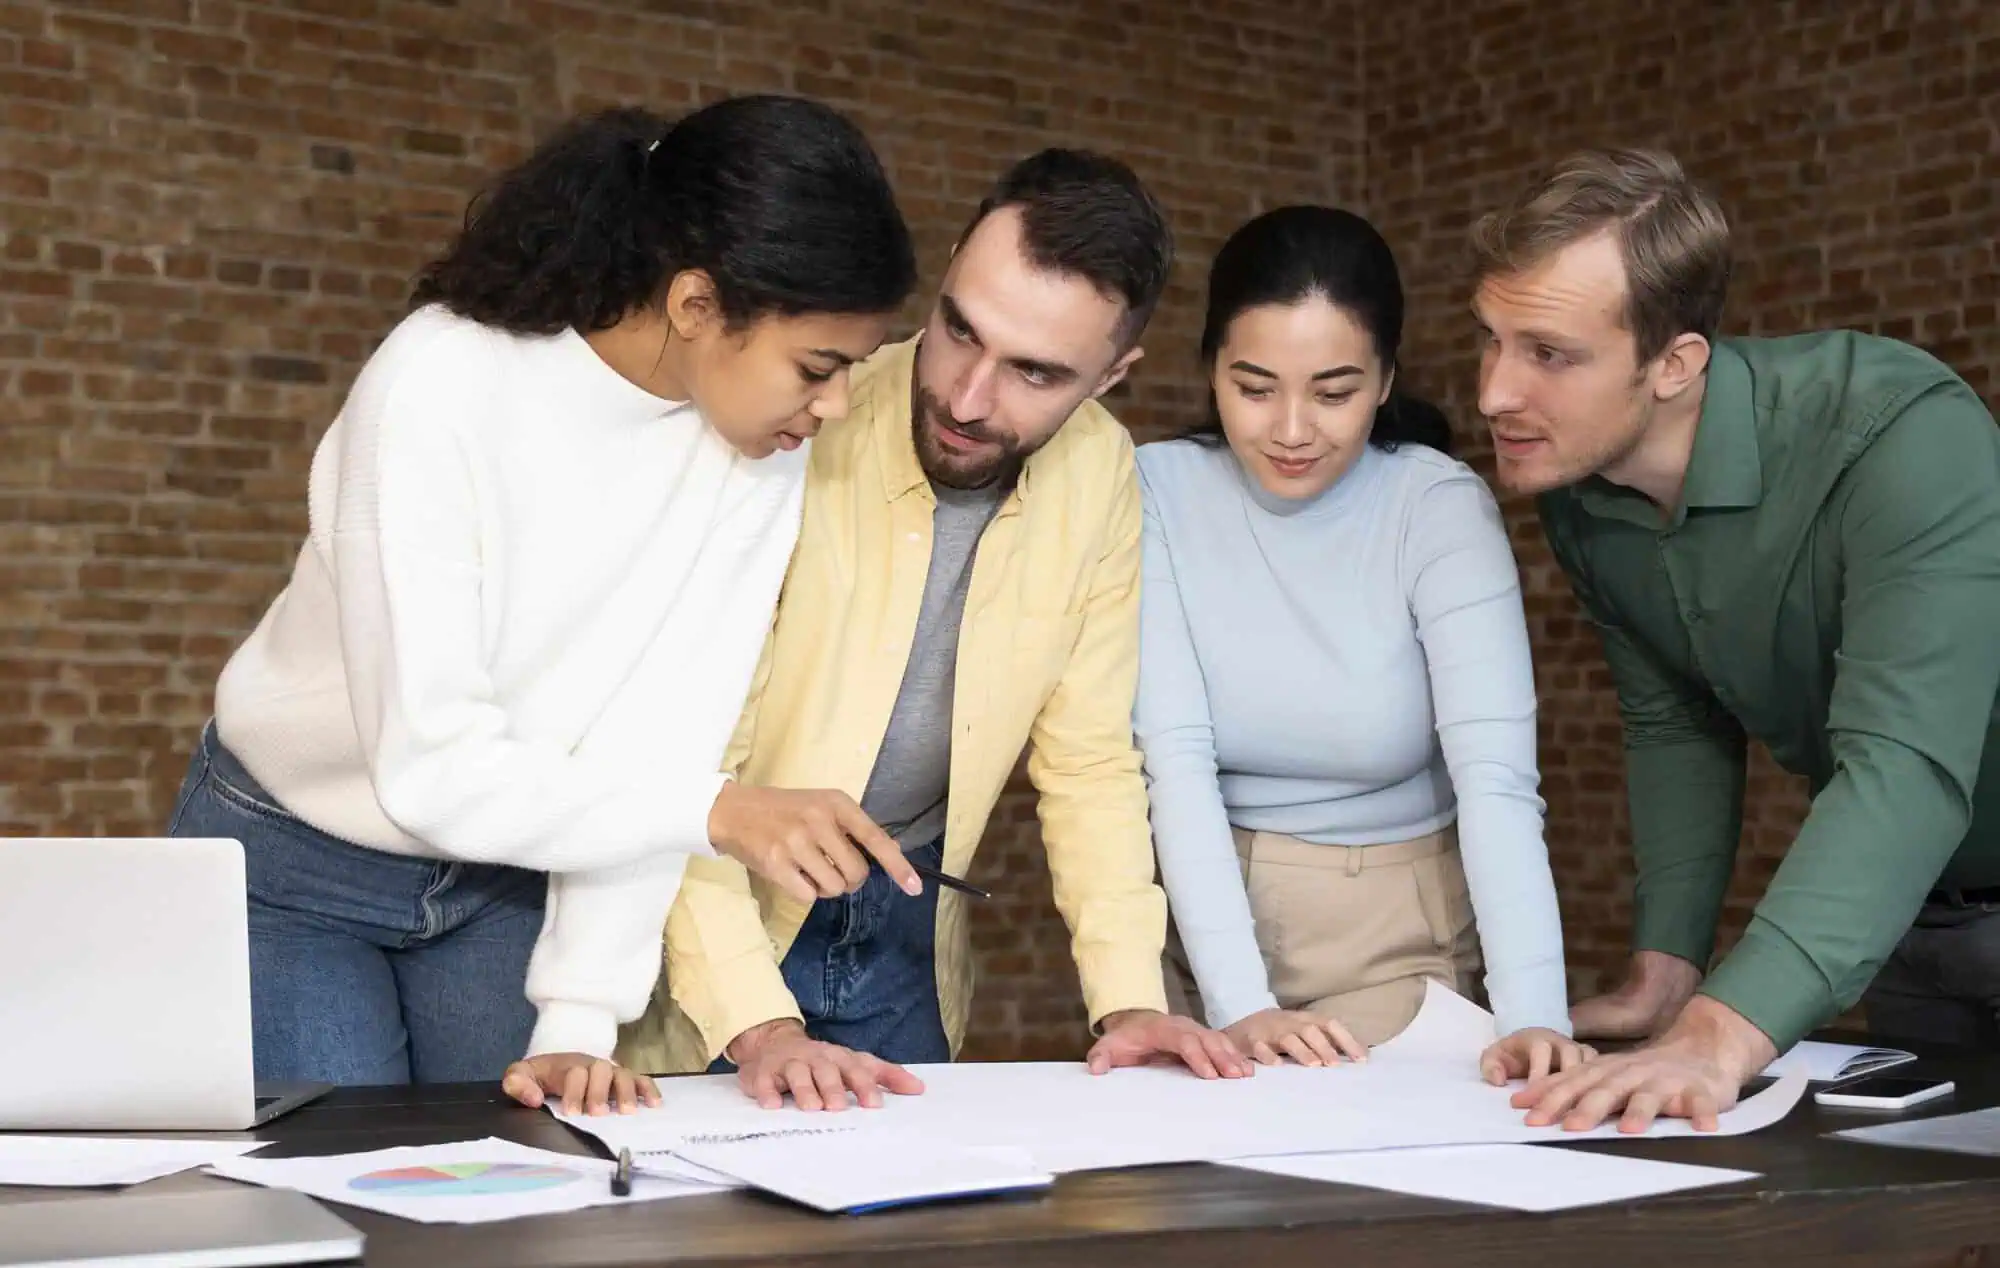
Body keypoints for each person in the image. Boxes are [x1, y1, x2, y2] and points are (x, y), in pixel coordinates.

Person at [167, 95, 924, 1115]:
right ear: (696, 304)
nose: (834, 407)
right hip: (294, 868)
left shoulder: (759, 448)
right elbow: (431, 768)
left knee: (517, 1177)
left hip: (506, 878)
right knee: (343, 1183)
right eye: (817, 368)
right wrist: (718, 812)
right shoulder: (439, 384)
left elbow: (659, 738)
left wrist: (578, 1019)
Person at [614, 148, 1253, 1108]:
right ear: (950, 265)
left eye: (1034, 372)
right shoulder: (794, 419)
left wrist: (1130, 1001)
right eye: (961, 329)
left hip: (908, 925)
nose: (966, 398)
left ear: (1113, 374)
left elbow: (1088, 763)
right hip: (711, 917)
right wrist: (762, 1025)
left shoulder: (1101, 472)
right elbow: (684, 755)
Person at [1471, 146, 2000, 1133]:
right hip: (1904, 925)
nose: (1494, 393)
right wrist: (1669, 970)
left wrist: (1719, 1033)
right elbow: (1674, 720)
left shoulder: (1903, 436)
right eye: (1491, 339)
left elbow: (1904, 764)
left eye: (1547, 353)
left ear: (1674, 364)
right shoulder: (1581, 492)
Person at [1134, 205, 1586, 1085]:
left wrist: (1535, 1013)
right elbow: (1173, 759)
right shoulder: (1154, 488)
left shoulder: (1435, 507)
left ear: (1385, 382)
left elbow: (1496, 780)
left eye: (1334, 392)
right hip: (1192, 925)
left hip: (1394, 939)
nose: (1291, 429)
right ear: (1210, 368)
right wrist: (1241, 1005)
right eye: (1254, 388)